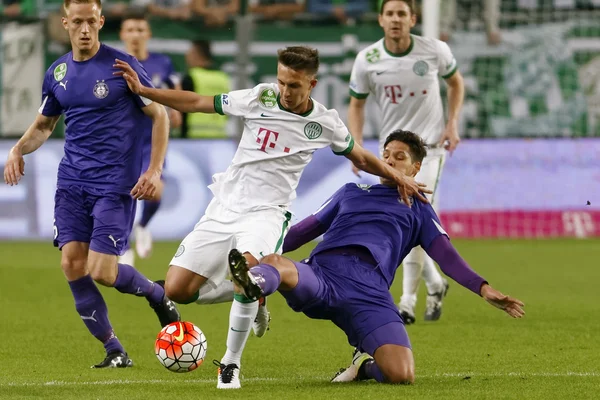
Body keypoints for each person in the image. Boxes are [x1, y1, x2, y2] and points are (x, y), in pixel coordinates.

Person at [114, 46, 430, 388]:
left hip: (266, 213)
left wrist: (398, 177)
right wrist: (146, 92)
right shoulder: (260, 97)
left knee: (247, 273)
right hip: (224, 207)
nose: (285, 91)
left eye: (294, 85)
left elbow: (362, 157)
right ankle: (259, 292)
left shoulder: (325, 122)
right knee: (178, 289)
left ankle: (231, 364)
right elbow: (197, 102)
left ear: (312, 83)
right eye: (281, 82)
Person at [228, 129, 525, 385]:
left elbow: (445, 255)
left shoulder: (419, 209)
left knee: (401, 373)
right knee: (278, 264)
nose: (390, 160)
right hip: (323, 274)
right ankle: (253, 283)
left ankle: (362, 367)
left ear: (416, 168)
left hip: (370, 293)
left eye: (399, 156)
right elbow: (300, 232)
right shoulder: (351, 191)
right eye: (386, 154)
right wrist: (261, 248)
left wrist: (483, 288)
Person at [2, 0, 180, 368]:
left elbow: (158, 113)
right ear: (65, 23)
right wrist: (18, 150)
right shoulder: (57, 72)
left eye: (91, 22)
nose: (85, 29)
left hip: (114, 184)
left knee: (103, 272)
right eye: (77, 22)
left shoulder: (122, 66)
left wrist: (154, 169)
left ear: (101, 22)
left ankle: (157, 294)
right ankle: (114, 349)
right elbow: (44, 126)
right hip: (71, 183)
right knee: (72, 264)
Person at [348, 0, 466, 324]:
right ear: (381, 20)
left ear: (413, 19)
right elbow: (356, 104)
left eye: (402, 13)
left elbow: (456, 83)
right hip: (392, 157)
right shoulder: (368, 60)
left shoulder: (434, 50)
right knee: (404, 220)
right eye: (390, 14)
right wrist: (356, 143)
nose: (396, 19)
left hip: (428, 150)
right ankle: (436, 284)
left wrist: (452, 123)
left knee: (414, 213)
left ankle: (407, 301)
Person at [119, 12, 182, 264]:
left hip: (152, 136)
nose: (135, 34)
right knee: (120, 194)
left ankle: (143, 225)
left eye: (140, 29)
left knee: (154, 192)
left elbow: (173, 92)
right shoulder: (114, 62)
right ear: (122, 35)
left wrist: (176, 110)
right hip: (122, 137)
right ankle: (123, 246)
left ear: (148, 34)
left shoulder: (162, 63)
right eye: (130, 29)